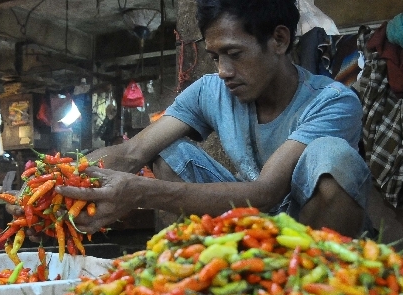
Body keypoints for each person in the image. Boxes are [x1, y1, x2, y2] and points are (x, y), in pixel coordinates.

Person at [59, 0, 373, 237]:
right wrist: (54, 188)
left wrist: (141, 192)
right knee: (167, 152)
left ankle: (319, 280)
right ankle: (228, 260)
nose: (222, 70)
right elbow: (131, 153)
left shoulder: (333, 101)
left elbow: (265, 193)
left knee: (331, 156)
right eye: (215, 57)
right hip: (249, 225)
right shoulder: (213, 89)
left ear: (279, 40)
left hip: (308, 232)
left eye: (234, 54)